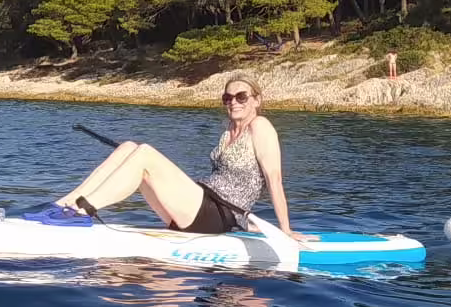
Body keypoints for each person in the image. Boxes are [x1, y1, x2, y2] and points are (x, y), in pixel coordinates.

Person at [56, 72, 300, 236]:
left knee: (145, 154)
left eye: (241, 96)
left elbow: (274, 180)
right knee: (128, 147)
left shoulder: (260, 126)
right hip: (201, 206)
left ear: (256, 100)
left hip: (216, 213)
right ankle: (64, 205)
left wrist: (285, 230)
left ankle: (83, 211)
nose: (233, 102)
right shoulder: (228, 132)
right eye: (227, 97)